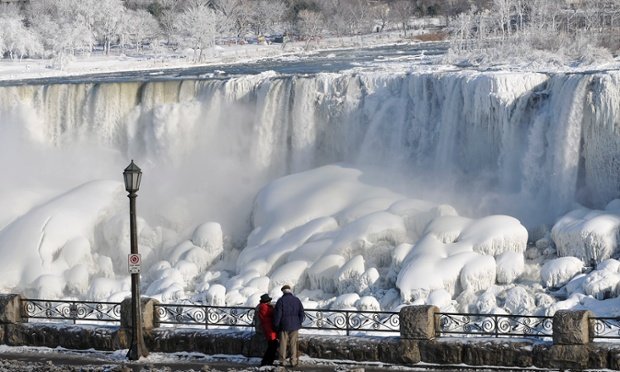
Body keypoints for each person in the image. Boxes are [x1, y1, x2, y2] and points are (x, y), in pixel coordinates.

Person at [273, 284, 305, 367]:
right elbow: (301, 312)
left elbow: (278, 314)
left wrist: (276, 325)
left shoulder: (281, 300)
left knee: (282, 344)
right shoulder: (296, 300)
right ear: (290, 290)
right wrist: (299, 322)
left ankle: (282, 361)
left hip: (284, 325)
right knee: (293, 344)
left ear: (283, 291)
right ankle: (293, 361)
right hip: (295, 325)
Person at [256, 293, 279, 366]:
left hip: (268, 327)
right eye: (269, 301)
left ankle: (267, 361)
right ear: (266, 301)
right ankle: (267, 361)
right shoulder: (264, 307)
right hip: (269, 328)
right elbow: (271, 313)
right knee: (272, 346)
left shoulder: (263, 306)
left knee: (271, 346)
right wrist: (274, 308)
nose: (270, 302)